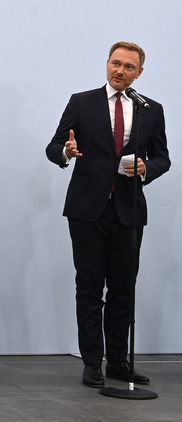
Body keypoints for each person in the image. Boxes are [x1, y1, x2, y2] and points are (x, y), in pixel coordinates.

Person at [45, 42, 170, 388]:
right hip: (87, 210)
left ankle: (117, 361)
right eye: (116, 63)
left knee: (122, 290)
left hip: (128, 210)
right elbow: (54, 146)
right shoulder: (81, 102)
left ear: (139, 73)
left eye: (128, 67)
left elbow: (163, 157)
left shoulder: (151, 110)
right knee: (89, 287)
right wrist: (66, 152)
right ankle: (91, 363)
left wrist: (148, 167)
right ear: (107, 64)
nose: (120, 71)